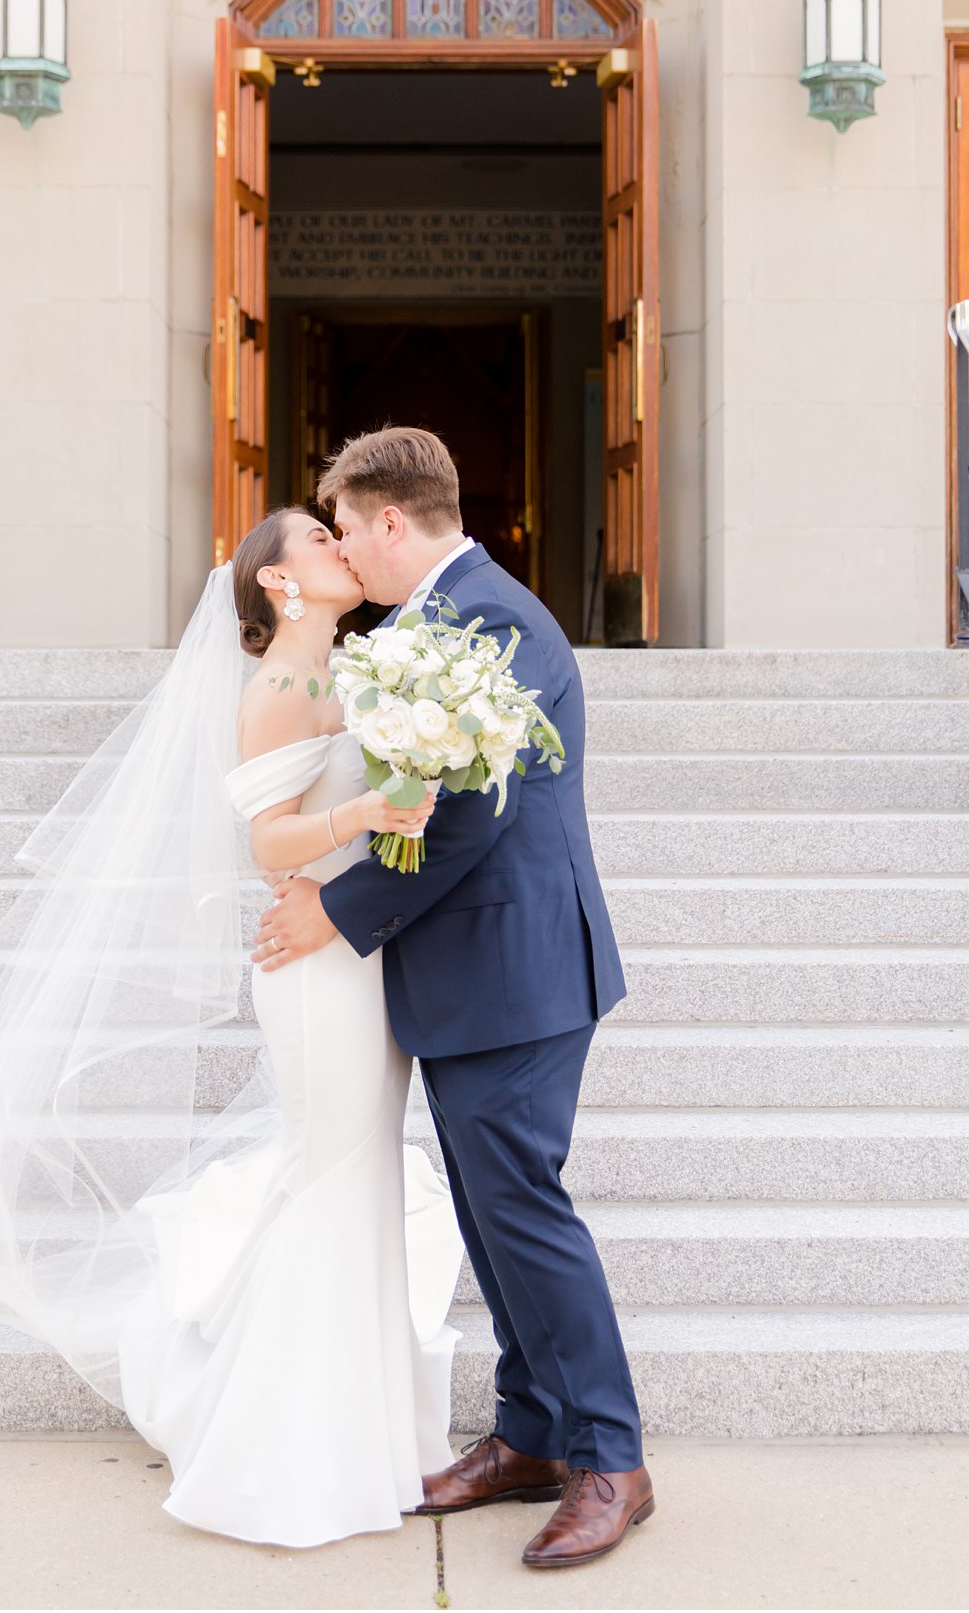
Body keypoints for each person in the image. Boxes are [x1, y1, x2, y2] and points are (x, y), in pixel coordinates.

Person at [0, 507, 463, 1548]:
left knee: (358, 1179)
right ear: (277, 585)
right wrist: (364, 816)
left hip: (359, 957)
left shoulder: (349, 674)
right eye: (316, 539)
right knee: (330, 1174)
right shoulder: (276, 690)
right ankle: (283, 1448)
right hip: (312, 967)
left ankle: (361, 1432)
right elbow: (270, 845)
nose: (338, 547)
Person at [256, 426, 653, 1573]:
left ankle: (610, 1460)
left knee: (521, 1209)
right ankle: (529, 1435)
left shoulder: (495, 620)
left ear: (391, 522)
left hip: (517, 970)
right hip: (468, 973)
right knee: (490, 1216)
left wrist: (333, 913)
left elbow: (468, 811)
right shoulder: (432, 623)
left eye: (346, 526)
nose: (345, 551)